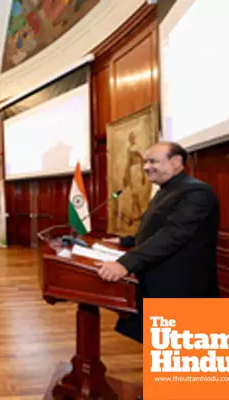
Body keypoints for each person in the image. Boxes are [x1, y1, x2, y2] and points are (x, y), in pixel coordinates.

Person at [96, 142, 220, 343]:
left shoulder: (196, 192)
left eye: (153, 161)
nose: (146, 167)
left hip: (183, 289)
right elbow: (158, 230)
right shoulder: (167, 190)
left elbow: (173, 234)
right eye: (146, 161)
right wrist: (125, 240)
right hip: (161, 284)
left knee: (194, 365)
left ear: (177, 162)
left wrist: (125, 264)